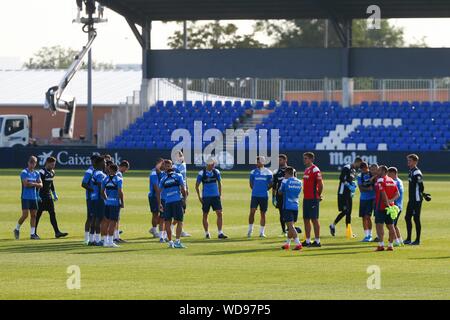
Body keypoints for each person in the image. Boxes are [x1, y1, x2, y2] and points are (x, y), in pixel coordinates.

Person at [35, 156, 68, 239]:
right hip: (41, 197)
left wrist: (54, 193)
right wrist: (37, 195)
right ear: (47, 163)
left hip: (49, 197)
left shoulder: (53, 172)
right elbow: (38, 184)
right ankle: (33, 232)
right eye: (52, 164)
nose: (53, 166)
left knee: (52, 214)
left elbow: (51, 183)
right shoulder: (41, 172)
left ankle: (57, 232)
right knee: (38, 215)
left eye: (54, 164)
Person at [195, 158, 228, 239]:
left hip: (215, 196)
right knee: (205, 214)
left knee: (219, 213)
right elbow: (196, 186)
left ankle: (220, 233)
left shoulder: (216, 172)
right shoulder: (202, 173)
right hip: (206, 197)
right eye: (212, 164)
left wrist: (219, 194)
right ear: (208, 164)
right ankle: (206, 233)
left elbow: (220, 183)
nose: (213, 166)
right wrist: (199, 197)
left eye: (214, 164)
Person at [330, 157, 362, 237]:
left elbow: (351, 180)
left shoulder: (354, 170)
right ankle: (333, 225)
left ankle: (349, 232)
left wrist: (353, 187)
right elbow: (341, 178)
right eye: (359, 164)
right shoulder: (347, 168)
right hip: (342, 193)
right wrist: (348, 185)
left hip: (348, 194)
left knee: (349, 213)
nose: (359, 166)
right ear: (357, 162)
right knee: (345, 211)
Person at [14, 156, 43, 240]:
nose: (32, 164)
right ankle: (17, 229)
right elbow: (26, 184)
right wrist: (35, 184)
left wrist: (32, 183)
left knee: (34, 215)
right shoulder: (24, 172)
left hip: (34, 197)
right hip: (25, 197)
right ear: (28, 163)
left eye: (34, 163)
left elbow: (41, 185)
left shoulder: (37, 173)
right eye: (31, 163)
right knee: (25, 215)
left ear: (35, 164)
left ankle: (32, 234)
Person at [157, 167, 187, 248]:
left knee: (167, 222)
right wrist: (184, 200)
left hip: (167, 202)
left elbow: (158, 192)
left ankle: (170, 242)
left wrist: (159, 204)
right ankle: (177, 241)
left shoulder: (163, 179)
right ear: (173, 171)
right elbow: (183, 189)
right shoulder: (178, 176)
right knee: (180, 221)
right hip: (177, 201)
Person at [374, 166, 400, 252]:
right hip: (391, 208)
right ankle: (390, 245)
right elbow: (397, 194)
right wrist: (391, 201)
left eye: (379, 170)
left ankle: (381, 245)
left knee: (379, 226)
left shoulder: (381, 180)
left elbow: (382, 192)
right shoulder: (392, 180)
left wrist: (386, 203)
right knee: (391, 226)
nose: (377, 172)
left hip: (382, 206)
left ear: (384, 171)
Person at [278, 167, 303, 251]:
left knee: (290, 227)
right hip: (295, 206)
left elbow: (280, 192)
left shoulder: (285, 181)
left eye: (285, 174)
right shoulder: (299, 182)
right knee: (291, 225)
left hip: (287, 206)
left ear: (287, 173)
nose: (284, 175)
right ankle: (287, 244)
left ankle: (298, 243)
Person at [248, 156, 273, 238]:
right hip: (255, 195)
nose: (257, 163)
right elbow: (251, 184)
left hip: (264, 196)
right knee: (252, 211)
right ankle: (250, 230)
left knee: (263, 213)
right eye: (257, 161)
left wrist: (265, 189)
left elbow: (271, 183)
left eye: (259, 162)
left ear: (263, 162)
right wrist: (255, 190)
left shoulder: (268, 172)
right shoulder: (253, 172)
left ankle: (262, 232)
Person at [302, 152, 323, 247]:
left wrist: (318, 194)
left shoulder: (315, 169)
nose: (304, 160)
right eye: (304, 158)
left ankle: (317, 241)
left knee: (314, 219)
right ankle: (307, 240)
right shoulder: (306, 170)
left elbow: (320, 184)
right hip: (306, 198)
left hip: (313, 198)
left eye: (306, 158)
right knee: (306, 219)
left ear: (311, 159)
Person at [272, 154, 296, 236]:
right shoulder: (276, 172)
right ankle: (284, 231)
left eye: (280, 160)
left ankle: (291, 229)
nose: (279, 162)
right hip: (280, 196)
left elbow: (295, 182)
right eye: (278, 160)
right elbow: (274, 186)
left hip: (289, 196)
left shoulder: (292, 170)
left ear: (285, 160)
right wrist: (273, 197)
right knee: (281, 214)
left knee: (290, 214)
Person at [101, 164, 124, 248]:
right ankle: (110, 242)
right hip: (115, 203)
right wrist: (122, 202)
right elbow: (120, 191)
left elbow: (102, 191)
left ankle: (105, 241)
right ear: (116, 170)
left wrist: (106, 199)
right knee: (113, 222)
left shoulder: (105, 179)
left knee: (105, 222)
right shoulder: (119, 179)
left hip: (107, 203)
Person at [405, 154, 425, 245]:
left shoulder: (417, 172)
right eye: (408, 160)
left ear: (415, 162)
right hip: (412, 199)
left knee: (416, 218)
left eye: (410, 161)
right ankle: (408, 238)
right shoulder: (411, 171)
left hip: (416, 199)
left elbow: (421, 185)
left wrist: (422, 194)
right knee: (407, 217)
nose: (408, 162)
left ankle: (417, 240)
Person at [81, 155, 99, 245]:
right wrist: (93, 190)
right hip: (90, 198)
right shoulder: (90, 171)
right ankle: (86, 238)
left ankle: (94, 238)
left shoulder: (97, 170)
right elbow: (83, 184)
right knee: (90, 217)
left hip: (96, 197)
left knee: (96, 217)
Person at [173, 151, 191, 237]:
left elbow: (185, 177)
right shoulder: (174, 167)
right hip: (178, 191)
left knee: (183, 210)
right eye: (178, 156)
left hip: (184, 190)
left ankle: (179, 229)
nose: (180, 157)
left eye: (181, 156)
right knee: (179, 210)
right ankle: (172, 228)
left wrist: (187, 187)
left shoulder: (184, 165)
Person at [356, 162, 376, 242]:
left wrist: (370, 184)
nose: (366, 169)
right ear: (361, 169)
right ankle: (366, 235)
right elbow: (361, 189)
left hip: (371, 198)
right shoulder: (360, 176)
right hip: (363, 199)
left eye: (367, 167)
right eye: (364, 168)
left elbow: (374, 185)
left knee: (368, 216)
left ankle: (370, 235)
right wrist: (369, 188)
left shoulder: (372, 174)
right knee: (363, 217)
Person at [89, 156, 107, 246]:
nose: (105, 163)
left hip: (93, 198)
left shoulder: (94, 172)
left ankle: (91, 240)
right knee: (99, 219)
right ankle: (98, 240)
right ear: (100, 163)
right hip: (100, 199)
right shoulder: (100, 174)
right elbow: (101, 188)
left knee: (94, 218)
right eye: (104, 162)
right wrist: (106, 199)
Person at [113, 160, 129, 243]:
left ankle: (115, 236)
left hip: (111, 198)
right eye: (126, 169)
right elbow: (119, 189)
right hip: (115, 198)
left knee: (114, 218)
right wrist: (121, 201)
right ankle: (116, 237)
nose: (126, 171)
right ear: (124, 167)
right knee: (116, 219)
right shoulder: (119, 174)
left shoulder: (116, 173)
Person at [388, 167, 404, 246]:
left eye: (389, 174)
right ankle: (400, 240)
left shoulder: (394, 182)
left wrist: (390, 200)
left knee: (391, 225)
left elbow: (397, 194)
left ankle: (396, 241)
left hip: (395, 206)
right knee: (394, 225)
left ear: (393, 173)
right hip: (399, 206)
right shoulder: (400, 181)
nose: (388, 175)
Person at [148, 158, 164, 238]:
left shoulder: (161, 172)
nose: (163, 165)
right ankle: (154, 230)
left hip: (162, 196)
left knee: (162, 214)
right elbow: (156, 188)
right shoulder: (153, 172)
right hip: (154, 196)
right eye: (162, 163)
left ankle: (155, 229)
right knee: (155, 214)